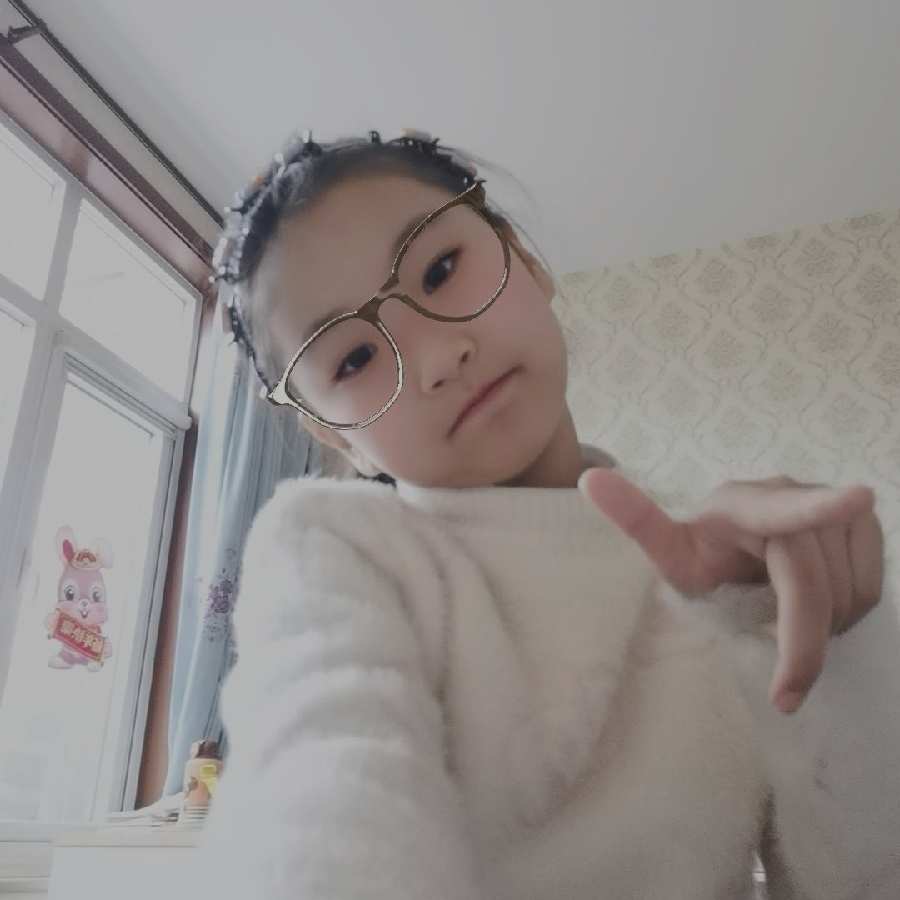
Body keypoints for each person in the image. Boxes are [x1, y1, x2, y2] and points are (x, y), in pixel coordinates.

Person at [194, 128, 900, 899]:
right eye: (354, 358)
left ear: (525, 261)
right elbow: (318, 810)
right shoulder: (333, 553)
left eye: (440, 269)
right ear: (336, 436)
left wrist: (839, 632)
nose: (438, 356)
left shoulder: (714, 571)